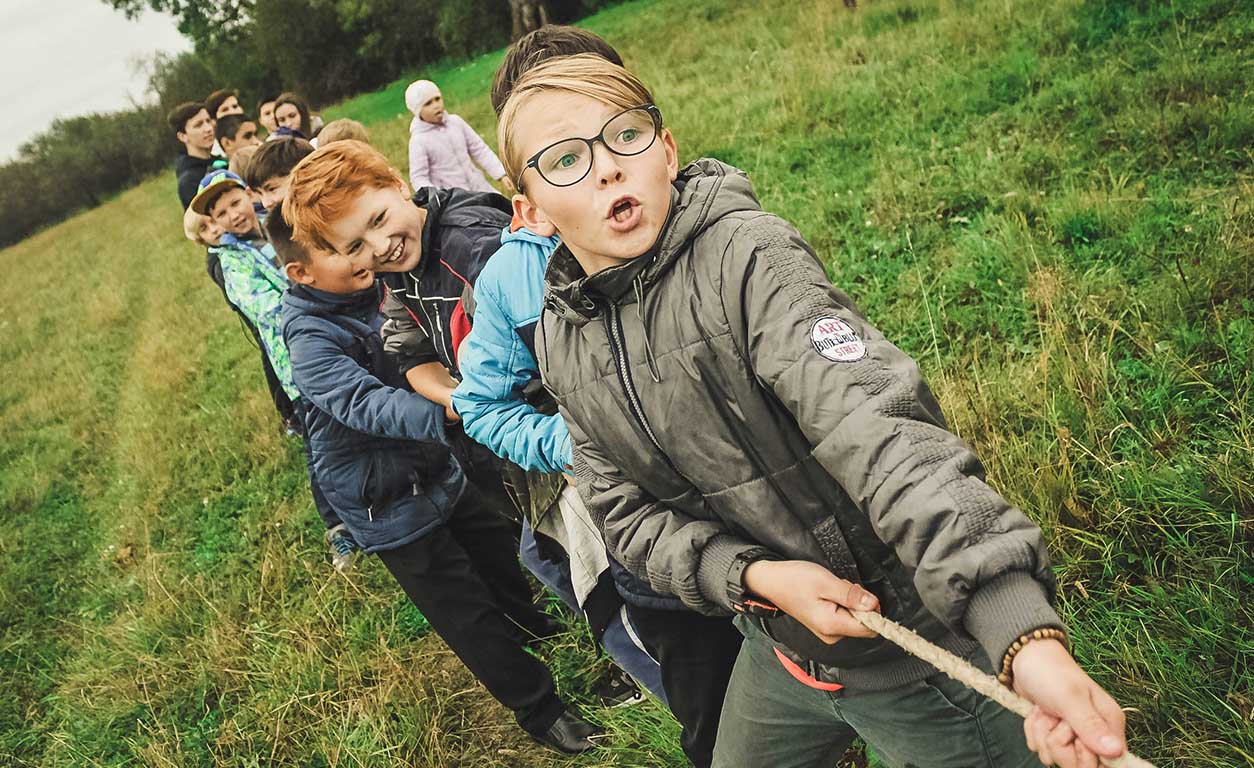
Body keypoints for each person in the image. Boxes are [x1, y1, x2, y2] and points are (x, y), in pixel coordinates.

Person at [498, 54, 1134, 768]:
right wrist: (755, 578)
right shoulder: (561, 337)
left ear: (668, 151)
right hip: (777, 650)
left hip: (913, 663)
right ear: (527, 210)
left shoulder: (749, 260)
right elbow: (625, 516)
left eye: (626, 136)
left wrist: (1019, 632)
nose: (608, 168)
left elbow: (880, 432)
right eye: (566, 160)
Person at [453, 28, 750, 768]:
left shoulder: (722, 237)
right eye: (561, 150)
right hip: (652, 553)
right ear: (528, 194)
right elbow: (482, 403)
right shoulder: (520, 287)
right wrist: (575, 445)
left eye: (615, 125)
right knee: (712, 716)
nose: (600, 163)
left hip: (764, 515)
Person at [283, 140, 647, 711]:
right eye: (357, 244)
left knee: (606, 562)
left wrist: (497, 409)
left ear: (398, 185)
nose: (380, 245)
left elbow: (560, 341)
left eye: (379, 219)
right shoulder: (398, 270)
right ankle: (633, 649)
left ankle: (652, 665)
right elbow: (408, 350)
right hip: (516, 431)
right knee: (547, 555)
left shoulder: (470, 243)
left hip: (569, 428)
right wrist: (469, 402)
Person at [189, 170, 352, 570]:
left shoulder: (279, 228)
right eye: (221, 213)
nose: (233, 215)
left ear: (249, 196)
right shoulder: (232, 263)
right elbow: (266, 308)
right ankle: (337, 528)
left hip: (340, 337)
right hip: (300, 362)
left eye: (235, 203)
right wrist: (319, 297)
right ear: (215, 223)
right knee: (322, 445)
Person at [404, 79, 511, 194]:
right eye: (428, 103)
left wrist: (501, 173)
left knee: (503, 209)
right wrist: (437, 196)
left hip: (479, 187)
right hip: (456, 200)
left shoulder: (456, 122)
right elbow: (418, 177)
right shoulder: (419, 140)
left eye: (437, 99)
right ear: (418, 111)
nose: (436, 105)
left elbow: (479, 149)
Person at [168, 101, 216, 209]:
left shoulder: (222, 161)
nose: (208, 128)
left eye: (208, 121)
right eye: (198, 125)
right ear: (182, 136)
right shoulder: (189, 182)